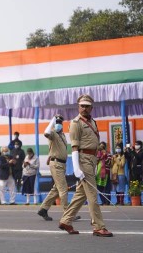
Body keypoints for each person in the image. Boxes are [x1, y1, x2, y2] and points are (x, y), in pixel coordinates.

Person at [59, 94, 113, 237]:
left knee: (81, 194)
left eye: (87, 106)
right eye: (82, 105)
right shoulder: (76, 123)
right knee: (92, 195)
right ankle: (98, 226)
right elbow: (75, 147)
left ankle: (66, 220)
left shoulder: (93, 122)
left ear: (91, 107)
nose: (84, 108)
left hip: (92, 159)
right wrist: (76, 168)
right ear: (78, 106)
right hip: (83, 160)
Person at [38, 114, 69, 220]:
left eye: (60, 122)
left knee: (56, 189)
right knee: (63, 189)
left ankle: (43, 209)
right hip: (56, 164)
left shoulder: (63, 135)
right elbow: (46, 133)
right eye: (57, 122)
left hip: (62, 164)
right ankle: (68, 213)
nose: (59, 124)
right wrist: (52, 121)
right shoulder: (53, 134)